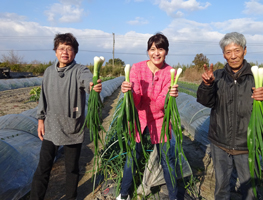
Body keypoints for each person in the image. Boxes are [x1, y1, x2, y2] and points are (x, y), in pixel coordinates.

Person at [197, 32, 263, 200]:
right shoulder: (217, 76)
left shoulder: (259, 75)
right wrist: (207, 85)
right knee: (221, 189)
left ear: (245, 51)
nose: (233, 56)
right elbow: (204, 100)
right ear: (224, 54)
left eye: (237, 50)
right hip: (220, 143)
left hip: (248, 145)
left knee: (250, 191)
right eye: (228, 52)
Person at [30, 33, 102, 200]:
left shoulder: (80, 70)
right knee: (43, 168)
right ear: (55, 51)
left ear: (75, 53)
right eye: (61, 48)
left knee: (71, 169)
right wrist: (40, 120)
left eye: (69, 49)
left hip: (72, 127)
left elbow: (88, 81)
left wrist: (93, 85)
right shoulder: (48, 72)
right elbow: (43, 98)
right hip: (51, 125)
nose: (65, 52)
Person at [116, 33, 179, 200]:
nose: (156, 53)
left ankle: (173, 197)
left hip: (160, 121)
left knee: (167, 160)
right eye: (152, 49)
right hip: (140, 120)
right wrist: (129, 93)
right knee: (132, 157)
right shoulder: (137, 68)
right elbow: (136, 100)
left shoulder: (169, 72)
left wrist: (169, 97)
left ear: (166, 51)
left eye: (160, 49)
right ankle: (123, 195)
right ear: (147, 51)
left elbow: (160, 104)